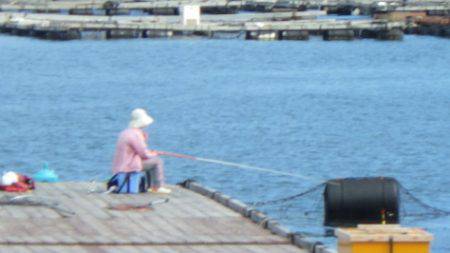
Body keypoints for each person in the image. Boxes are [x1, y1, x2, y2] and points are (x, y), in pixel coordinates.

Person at [111, 108, 171, 194]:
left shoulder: (125, 132)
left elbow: (136, 151)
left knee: (151, 161)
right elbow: (144, 154)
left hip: (120, 166)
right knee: (157, 161)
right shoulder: (135, 135)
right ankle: (157, 187)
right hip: (128, 167)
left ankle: (152, 186)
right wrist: (154, 153)